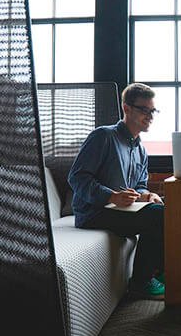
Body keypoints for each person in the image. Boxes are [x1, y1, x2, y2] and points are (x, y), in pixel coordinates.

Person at [68, 83, 165, 300]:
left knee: (167, 206)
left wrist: (146, 195)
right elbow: (77, 177)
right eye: (144, 110)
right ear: (127, 108)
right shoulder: (103, 136)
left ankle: (161, 271)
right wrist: (111, 196)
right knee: (158, 215)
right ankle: (140, 283)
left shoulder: (140, 150)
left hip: (122, 211)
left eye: (153, 111)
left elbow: (139, 185)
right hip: (93, 212)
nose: (150, 116)